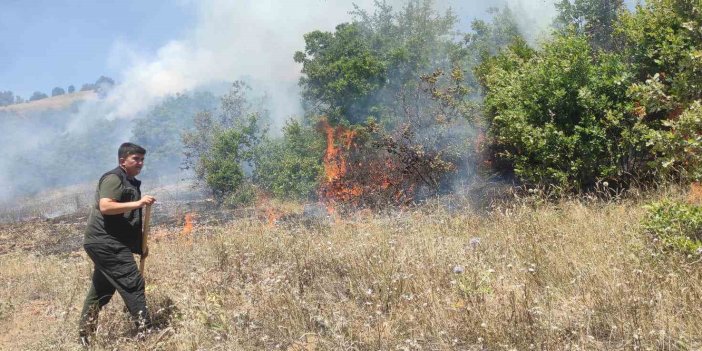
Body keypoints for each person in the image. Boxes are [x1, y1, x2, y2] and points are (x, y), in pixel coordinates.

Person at [78, 142, 156, 345]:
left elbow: (125, 221)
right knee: (133, 282)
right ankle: (146, 334)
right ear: (122, 161)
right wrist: (138, 203)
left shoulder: (130, 181)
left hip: (109, 242)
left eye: (142, 159)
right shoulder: (113, 178)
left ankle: (85, 338)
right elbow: (106, 206)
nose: (140, 163)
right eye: (135, 159)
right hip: (105, 242)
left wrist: (139, 246)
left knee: (101, 290)